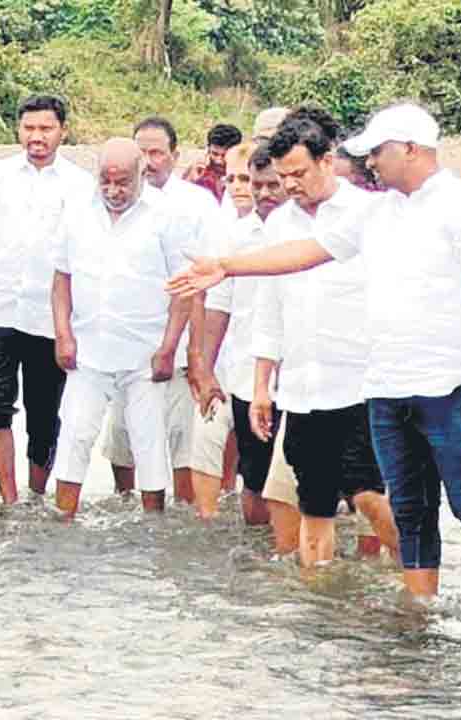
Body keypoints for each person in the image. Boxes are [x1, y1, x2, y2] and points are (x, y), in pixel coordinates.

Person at [168, 103, 461, 601]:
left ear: (410, 149)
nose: (368, 164)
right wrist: (227, 267)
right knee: (407, 506)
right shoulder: (376, 212)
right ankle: (418, 609)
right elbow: (303, 254)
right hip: (382, 385)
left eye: (377, 153)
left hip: (450, 383)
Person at [251, 114, 398, 569]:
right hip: (301, 389)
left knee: (368, 494)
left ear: (328, 161)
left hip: (362, 384)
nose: (290, 184)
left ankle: (415, 572)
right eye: (283, 177)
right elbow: (268, 310)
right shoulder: (278, 224)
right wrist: (262, 388)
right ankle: (319, 608)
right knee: (312, 506)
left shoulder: (370, 214)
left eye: (299, 173)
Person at [50, 138, 192, 517]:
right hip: (88, 350)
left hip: (145, 353)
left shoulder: (166, 216)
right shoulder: (77, 211)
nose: (113, 191)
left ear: (142, 174)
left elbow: (184, 288)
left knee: (148, 441)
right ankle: (62, 521)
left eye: (123, 182)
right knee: (75, 435)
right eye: (106, 181)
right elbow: (61, 278)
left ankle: (154, 525)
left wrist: (169, 347)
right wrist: (62, 334)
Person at [0, 95, 92, 504]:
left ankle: (37, 495)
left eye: (46, 129)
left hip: (49, 317)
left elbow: (82, 259)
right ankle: (9, 499)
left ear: (63, 131)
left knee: (44, 415)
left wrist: (74, 326)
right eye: (29, 128)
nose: (36, 137)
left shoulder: (79, 185)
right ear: (18, 129)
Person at [189, 142, 301, 543]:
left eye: (273, 184)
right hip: (245, 378)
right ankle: (257, 563)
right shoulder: (234, 238)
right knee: (252, 487)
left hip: (302, 382)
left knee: (297, 487)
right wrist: (202, 369)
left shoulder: (310, 235)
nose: (265, 193)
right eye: (258, 185)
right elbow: (217, 311)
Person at [101, 117, 217, 504]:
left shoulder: (196, 203)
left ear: (175, 155)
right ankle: (125, 504)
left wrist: (196, 355)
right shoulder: (112, 202)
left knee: (182, 437)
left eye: (157, 153)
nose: (149, 161)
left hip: (181, 342)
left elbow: (202, 282)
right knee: (121, 434)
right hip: (126, 344)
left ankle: (181, 514)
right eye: (142, 152)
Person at [183, 123, 243, 203]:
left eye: (224, 155)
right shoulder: (197, 170)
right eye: (215, 154)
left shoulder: (243, 175)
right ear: (208, 150)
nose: (219, 160)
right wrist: (192, 181)